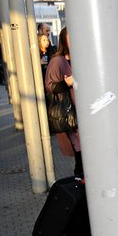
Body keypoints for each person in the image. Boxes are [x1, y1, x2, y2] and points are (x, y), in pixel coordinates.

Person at [44, 28, 83, 178]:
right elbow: (50, 87)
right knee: (80, 154)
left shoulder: (82, 58)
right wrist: (67, 82)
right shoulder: (57, 61)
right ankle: (80, 188)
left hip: (85, 113)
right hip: (71, 116)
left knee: (86, 154)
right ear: (63, 40)